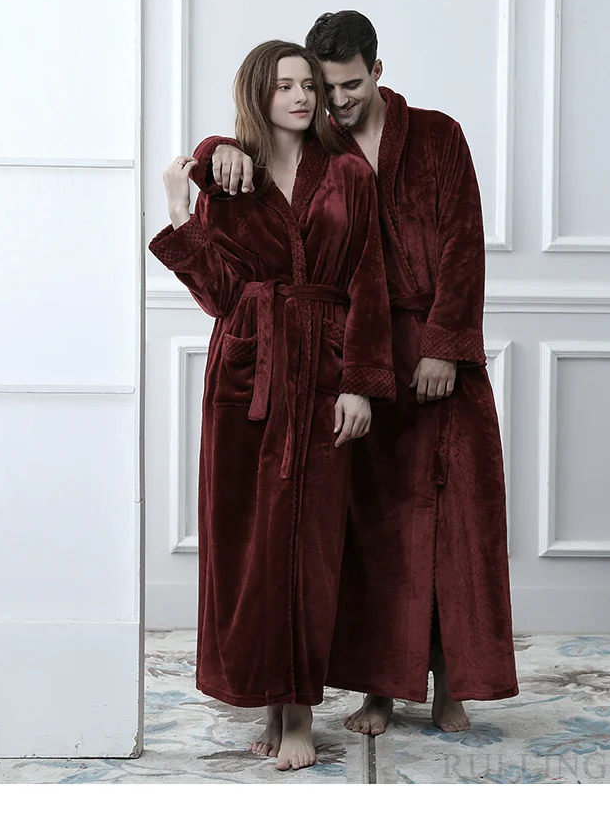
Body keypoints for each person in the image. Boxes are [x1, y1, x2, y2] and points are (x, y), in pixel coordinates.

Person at [190, 12, 519, 738]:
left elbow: (464, 242)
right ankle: (378, 689)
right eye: (321, 86)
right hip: (348, 355)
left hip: (429, 349)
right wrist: (213, 152)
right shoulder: (325, 142)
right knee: (368, 531)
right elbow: (251, 150)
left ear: (377, 71)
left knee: (454, 523)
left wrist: (446, 345)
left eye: (346, 86)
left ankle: (451, 682)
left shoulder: (436, 135)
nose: (333, 100)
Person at [149, 40, 395, 770]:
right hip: (245, 373)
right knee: (250, 544)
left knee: (310, 544)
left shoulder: (348, 173)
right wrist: (180, 209)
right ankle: (268, 699)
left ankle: (300, 711)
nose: (300, 97)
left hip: (323, 369)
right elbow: (219, 295)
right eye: (284, 85)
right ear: (257, 94)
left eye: (308, 85)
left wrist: (359, 382)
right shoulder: (231, 180)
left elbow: (368, 281)